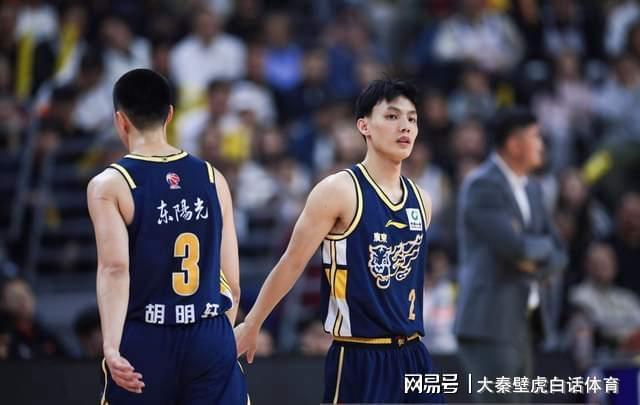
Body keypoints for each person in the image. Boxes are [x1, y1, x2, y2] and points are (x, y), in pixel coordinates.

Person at [235, 79, 444, 403]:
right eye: (392, 116)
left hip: (415, 355)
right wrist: (252, 323)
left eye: (412, 119)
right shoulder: (338, 190)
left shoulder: (422, 200)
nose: (405, 126)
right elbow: (292, 262)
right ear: (364, 126)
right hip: (360, 355)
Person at [87, 69, 247, 404]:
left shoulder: (111, 183)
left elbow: (115, 269)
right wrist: (218, 339)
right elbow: (232, 283)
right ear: (170, 114)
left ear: (120, 120)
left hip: (148, 334)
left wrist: (112, 347)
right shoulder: (212, 177)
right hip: (208, 330)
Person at [455, 107, 567, 403]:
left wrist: (534, 255)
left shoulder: (532, 189)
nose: (541, 144)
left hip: (523, 321)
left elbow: (559, 251)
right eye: (535, 137)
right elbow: (514, 247)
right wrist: (534, 247)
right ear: (514, 144)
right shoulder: (482, 185)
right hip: (489, 321)